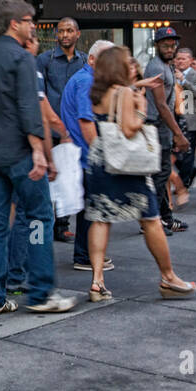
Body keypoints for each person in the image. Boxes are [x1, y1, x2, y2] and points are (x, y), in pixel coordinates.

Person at [0, 0, 74, 315]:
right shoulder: (22, 59)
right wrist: (38, 153)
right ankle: (42, 293)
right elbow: (30, 109)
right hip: (20, 156)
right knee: (39, 219)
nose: (34, 26)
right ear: (14, 24)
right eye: (30, 20)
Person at [83, 46, 195, 303]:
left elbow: (113, 105)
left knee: (100, 219)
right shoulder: (124, 93)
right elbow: (130, 128)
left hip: (101, 160)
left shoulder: (98, 92)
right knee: (151, 219)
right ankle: (168, 277)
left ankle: (97, 282)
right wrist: (141, 107)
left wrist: (137, 85)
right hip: (126, 166)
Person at [60, 40, 117, 272]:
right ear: (92, 59)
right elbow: (86, 122)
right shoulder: (86, 82)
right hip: (85, 154)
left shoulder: (86, 79)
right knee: (91, 210)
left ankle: (88, 254)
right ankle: (85, 256)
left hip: (81, 153)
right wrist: (100, 154)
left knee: (90, 209)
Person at [36, 18, 85, 242]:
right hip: (50, 128)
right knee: (47, 178)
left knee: (68, 178)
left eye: (69, 31)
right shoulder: (44, 60)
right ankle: (45, 225)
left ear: (77, 34)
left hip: (74, 129)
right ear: (56, 35)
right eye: (61, 31)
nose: (65, 35)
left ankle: (62, 225)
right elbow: (40, 95)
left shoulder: (83, 61)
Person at [143, 27, 192, 235]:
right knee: (159, 177)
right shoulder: (156, 67)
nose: (170, 48)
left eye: (173, 45)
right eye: (166, 45)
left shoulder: (167, 66)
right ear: (157, 46)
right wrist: (178, 135)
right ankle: (152, 223)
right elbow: (162, 105)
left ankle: (165, 218)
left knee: (161, 175)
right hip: (155, 127)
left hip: (162, 128)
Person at [171, 46, 196, 206]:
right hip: (173, 119)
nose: (180, 61)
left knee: (187, 155)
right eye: (178, 58)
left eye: (183, 59)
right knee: (174, 155)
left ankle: (183, 185)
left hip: (190, 120)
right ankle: (189, 174)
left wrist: (183, 81)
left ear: (191, 61)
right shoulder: (168, 74)